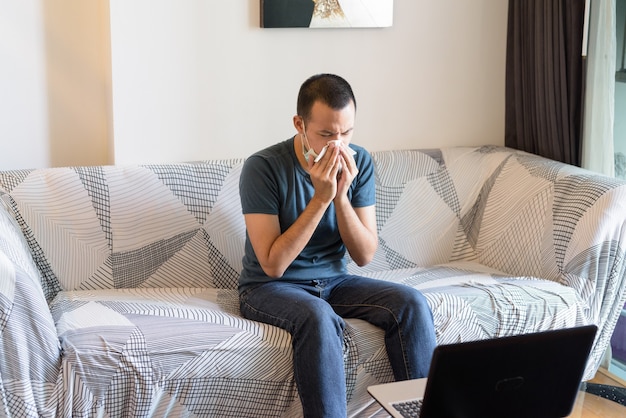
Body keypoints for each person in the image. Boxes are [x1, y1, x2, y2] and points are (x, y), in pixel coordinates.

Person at [238, 74, 436, 417]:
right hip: (269, 288)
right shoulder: (263, 168)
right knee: (318, 316)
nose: (338, 145)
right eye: (327, 134)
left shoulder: (359, 161)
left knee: (411, 303)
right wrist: (320, 199)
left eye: (346, 133)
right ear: (300, 124)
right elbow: (272, 264)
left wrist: (341, 197)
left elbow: (364, 255)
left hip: (335, 282)